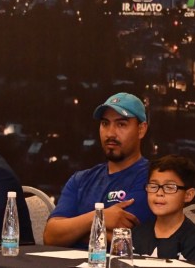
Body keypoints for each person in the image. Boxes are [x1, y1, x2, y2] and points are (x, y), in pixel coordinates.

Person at [44, 92, 154, 247]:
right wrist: (99, 217)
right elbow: (51, 236)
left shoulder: (152, 179)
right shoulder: (80, 179)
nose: (110, 133)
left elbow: (123, 240)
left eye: (121, 124)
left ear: (141, 129)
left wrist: (73, 231)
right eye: (105, 123)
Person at [132, 155, 195, 262]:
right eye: (153, 186)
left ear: (188, 195)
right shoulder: (137, 233)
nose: (159, 193)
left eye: (169, 187)